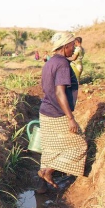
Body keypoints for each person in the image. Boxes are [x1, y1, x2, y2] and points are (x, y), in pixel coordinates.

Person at [37, 32, 87, 193]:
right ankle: (49, 172)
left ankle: (42, 187)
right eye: (72, 45)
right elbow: (60, 93)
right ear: (65, 46)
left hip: (45, 110)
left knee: (49, 149)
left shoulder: (50, 63)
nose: (74, 49)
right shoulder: (63, 64)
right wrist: (70, 118)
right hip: (57, 113)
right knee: (79, 146)